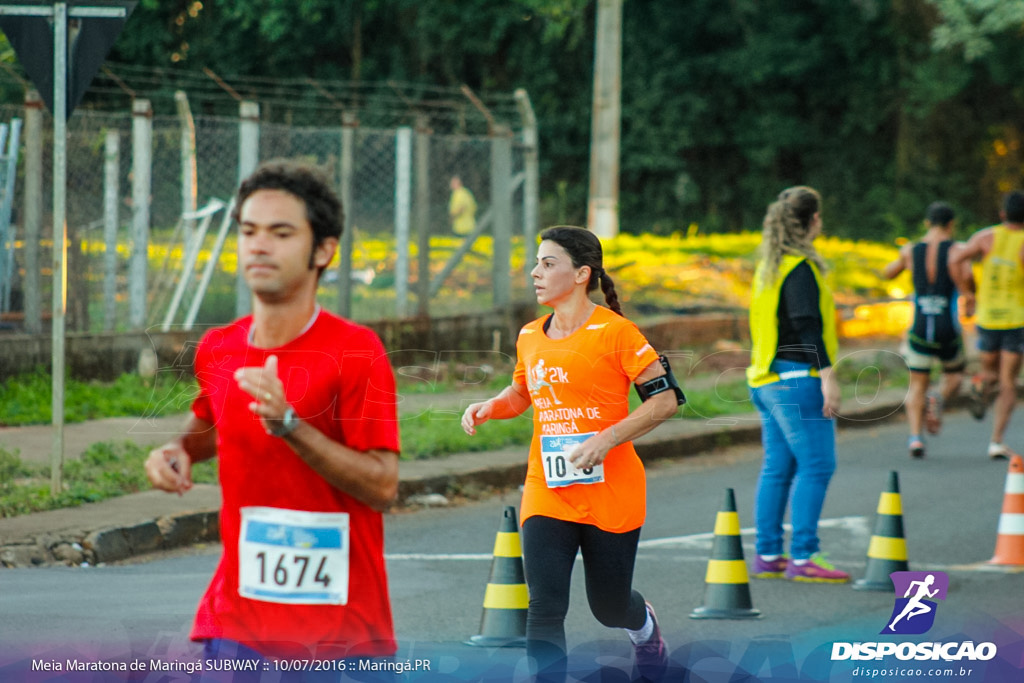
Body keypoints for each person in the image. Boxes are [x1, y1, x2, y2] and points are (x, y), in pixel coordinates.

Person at [144, 160, 401, 664]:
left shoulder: (356, 352)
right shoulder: (218, 348)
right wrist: (178, 450)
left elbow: (383, 485)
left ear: (323, 249)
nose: (258, 246)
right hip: (237, 623)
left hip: (341, 631)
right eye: (248, 231)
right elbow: (212, 425)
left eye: (281, 233)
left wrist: (290, 427)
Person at [461, 226, 680, 682]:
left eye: (548, 263)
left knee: (609, 606)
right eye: (536, 263)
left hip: (611, 489)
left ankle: (645, 630)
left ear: (581, 274)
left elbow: (664, 401)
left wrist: (606, 439)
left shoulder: (616, 333)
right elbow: (521, 394)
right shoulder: (529, 335)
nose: (535, 273)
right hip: (549, 487)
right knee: (543, 606)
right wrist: (490, 407)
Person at [747, 186, 850, 583]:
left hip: (766, 378)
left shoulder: (770, 268)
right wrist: (828, 377)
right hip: (797, 379)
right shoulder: (800, 268)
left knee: (779, 466)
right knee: (818, 465)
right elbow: (808, 326)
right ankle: (804, 554)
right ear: (812, 222)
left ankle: (770, 553)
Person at [881, 202, 973, 458]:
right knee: (954, 377)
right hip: (948, 326)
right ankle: (939, 398)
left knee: (916, 385)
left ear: (926, 223)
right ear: (951, 224)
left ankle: (915, 439)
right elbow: (968, 281)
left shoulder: (910, 250)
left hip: (920, 325)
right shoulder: (958, 250)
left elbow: (889, 273)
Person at [949, 190, 1024, 460]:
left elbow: (955, 258)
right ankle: (995, 441)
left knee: (989, 372)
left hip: (988, 318)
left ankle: (979, 385)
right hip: (1016, 320)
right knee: (1008, 383)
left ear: (1003, 214)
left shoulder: (984, 237)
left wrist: (966, 292)